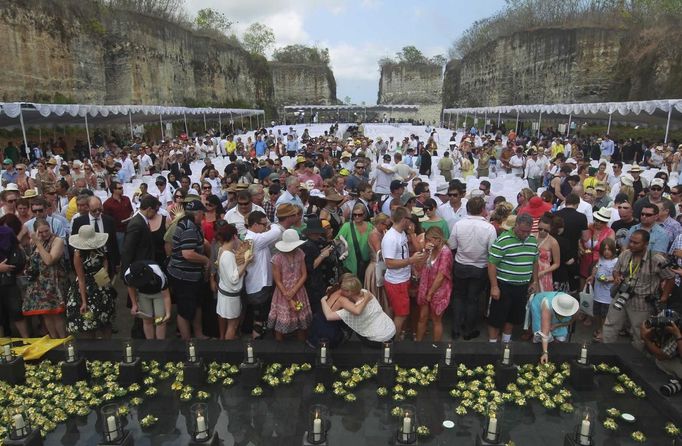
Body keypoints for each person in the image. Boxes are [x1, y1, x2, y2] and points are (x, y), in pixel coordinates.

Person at [602, 230, 675, 350]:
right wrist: (617, 277)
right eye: (631, 241)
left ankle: (637, 360)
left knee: (639, 332)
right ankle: (605, 351)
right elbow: (616, 270)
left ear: (646, 243)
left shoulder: (657, 259)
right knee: (610, 325)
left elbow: (671, 277)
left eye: (636, 243)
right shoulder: (625, 254)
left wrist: (664, 296)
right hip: (621, 296)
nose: (631, 245)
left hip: (641, 302)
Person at [487, 213, 539, 343]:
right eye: (522, 231)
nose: (525, 234)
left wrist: (535, 281)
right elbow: (492, 263)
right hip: (504, 285)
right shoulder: (503, 240)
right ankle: (492, 344)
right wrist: (494, 286)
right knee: (496, 318)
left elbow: (535, 261)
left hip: (522, 286)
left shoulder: (532, 240)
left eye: (528, 231)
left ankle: (506, 342)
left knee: (513, 317)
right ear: (516, 226)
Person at [167, 199, 211, 340]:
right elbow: (188, 253)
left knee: (196, 305)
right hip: (184, 276)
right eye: (202, 214)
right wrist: (205, 260)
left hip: (191, 275)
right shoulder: (189, 228)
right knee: (185, 310)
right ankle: (187, 342)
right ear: (197, 213)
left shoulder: (188, 223)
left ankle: (198, 334)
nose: (203, 217)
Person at [382, 206, 426, 339]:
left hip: (402, 279)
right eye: (409, 218)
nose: (411, 221)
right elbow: (389, 263)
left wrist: (412, 268)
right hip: (396, 282)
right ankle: (391, 343)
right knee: (401, 315)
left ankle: (394, 338)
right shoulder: (391, 238)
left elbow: (402, 255)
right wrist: (411, 260)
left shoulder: (401, 233)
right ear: (403, 219)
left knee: (399, 312)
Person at [66, 225, 117, 338]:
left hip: (100, 281)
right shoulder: (78, 254)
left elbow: (104, 263)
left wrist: (105, 281)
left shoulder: (99, 248)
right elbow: (81, 279)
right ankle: (92, 349)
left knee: (105, 320)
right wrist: (84, 301)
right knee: (88, 322)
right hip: (86, 286)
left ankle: (108, 346)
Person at [320, 274, 395, 346]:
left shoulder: (351, 311)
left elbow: (329, 316)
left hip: (379, 340)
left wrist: (323, 300)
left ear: (349, 292)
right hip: (391, 331)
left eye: (342, 290)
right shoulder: (366, 292)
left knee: (352, 328)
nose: (340, 291)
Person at [22, 218, 67, 338]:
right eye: (40, 232)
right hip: (40, 283)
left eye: (46, 231)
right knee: (46, 314)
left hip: (55, 281)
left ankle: (63, 340)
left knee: (57, 314)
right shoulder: (35, 243)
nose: (44, 234)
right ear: (36, 232)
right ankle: (53, 339)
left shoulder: (57, 241)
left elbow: (49, 260)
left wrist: (38, 243)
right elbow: (33, 263)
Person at [269, 229, 311, 341]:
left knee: (301, 322)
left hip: (298, 290)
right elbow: (277, 280)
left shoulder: (300, 253)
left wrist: (293, 291)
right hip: (283, 292)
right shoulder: (277, 258)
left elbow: (304, 274)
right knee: (281, 322)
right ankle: (279, 349)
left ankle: (301, 347)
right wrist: (288, 296)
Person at [213, 222, 252, 340]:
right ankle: (227, 353)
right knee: (232, 325)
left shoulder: (221, 250)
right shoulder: (228, 255)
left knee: (231, 324)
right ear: (234, 236)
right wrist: (246, 263)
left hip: (224, 292)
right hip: (230, 295)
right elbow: (234, 278)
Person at [415, 227, 452, 342]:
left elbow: (441, 276)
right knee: (422, 317)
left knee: (436, 320)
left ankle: (435, 347)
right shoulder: (429, 250)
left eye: (429, 240)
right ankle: (418, 342)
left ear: (438, 239)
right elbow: (419, 266)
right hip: (425, 287)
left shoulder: (446, 253)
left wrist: (430, 293)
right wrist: (425, 252)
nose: (428, 242)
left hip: (439, 291)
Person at [72, 196, 120, 277]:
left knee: (105, 284)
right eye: (94, 210)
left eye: (100, 209)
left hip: (106, 257)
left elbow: (113, 242)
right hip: (87, 260)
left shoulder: (109, 220)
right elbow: (74, 242)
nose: (98, 212)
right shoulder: (79, 222)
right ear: (88, 208)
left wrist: (117, 262)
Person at [124, 261, 171, 340]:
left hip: (159, 294)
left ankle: (160, 345)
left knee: (160, 321)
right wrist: (134, 304)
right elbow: (130, 287)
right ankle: (150, 344)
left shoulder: (158, 274)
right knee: (146, 320)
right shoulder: (128, 275)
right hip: (142, 294)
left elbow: (166, 296)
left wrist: (168, 313)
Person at [527, 292, 579, 364]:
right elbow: (545, 332)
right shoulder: (547, 304)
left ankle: (553, 353)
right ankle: (536, 352)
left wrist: (557, 325)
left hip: (556, 317)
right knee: (540, 335)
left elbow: (570, 322)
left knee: (560, 337)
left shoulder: (573, 307)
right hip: (539, 305)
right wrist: (545, 352)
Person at [587, 238, 618, 342]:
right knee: (597, 313)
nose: (606, 252)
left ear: (613, 250)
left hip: (608, 295)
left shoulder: (616, 261)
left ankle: (604, 332)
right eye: (604, 249)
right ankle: (600, 328)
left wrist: (608, 279)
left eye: (609, 249)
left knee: (605, 314)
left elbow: (618, 277)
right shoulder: (600, 259)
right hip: (598, 293)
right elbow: (596, 268)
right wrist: (592, 276)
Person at [336, 204, 373, 283]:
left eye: (359, 215)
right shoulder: (347, 226)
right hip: (350, 265)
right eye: (354, 214)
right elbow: (337, 242)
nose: (357, 217)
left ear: (364, 215)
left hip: (366, 264)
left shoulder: (370, 227)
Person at [537, 213, 561, 292]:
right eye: (540, 229)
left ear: (550, 229)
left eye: (546, 230)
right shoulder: (532, 237)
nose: (542, 231)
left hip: (544, 272)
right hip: (531, 270)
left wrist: (544, 272)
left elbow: (557, 263)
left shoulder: (553, 242)